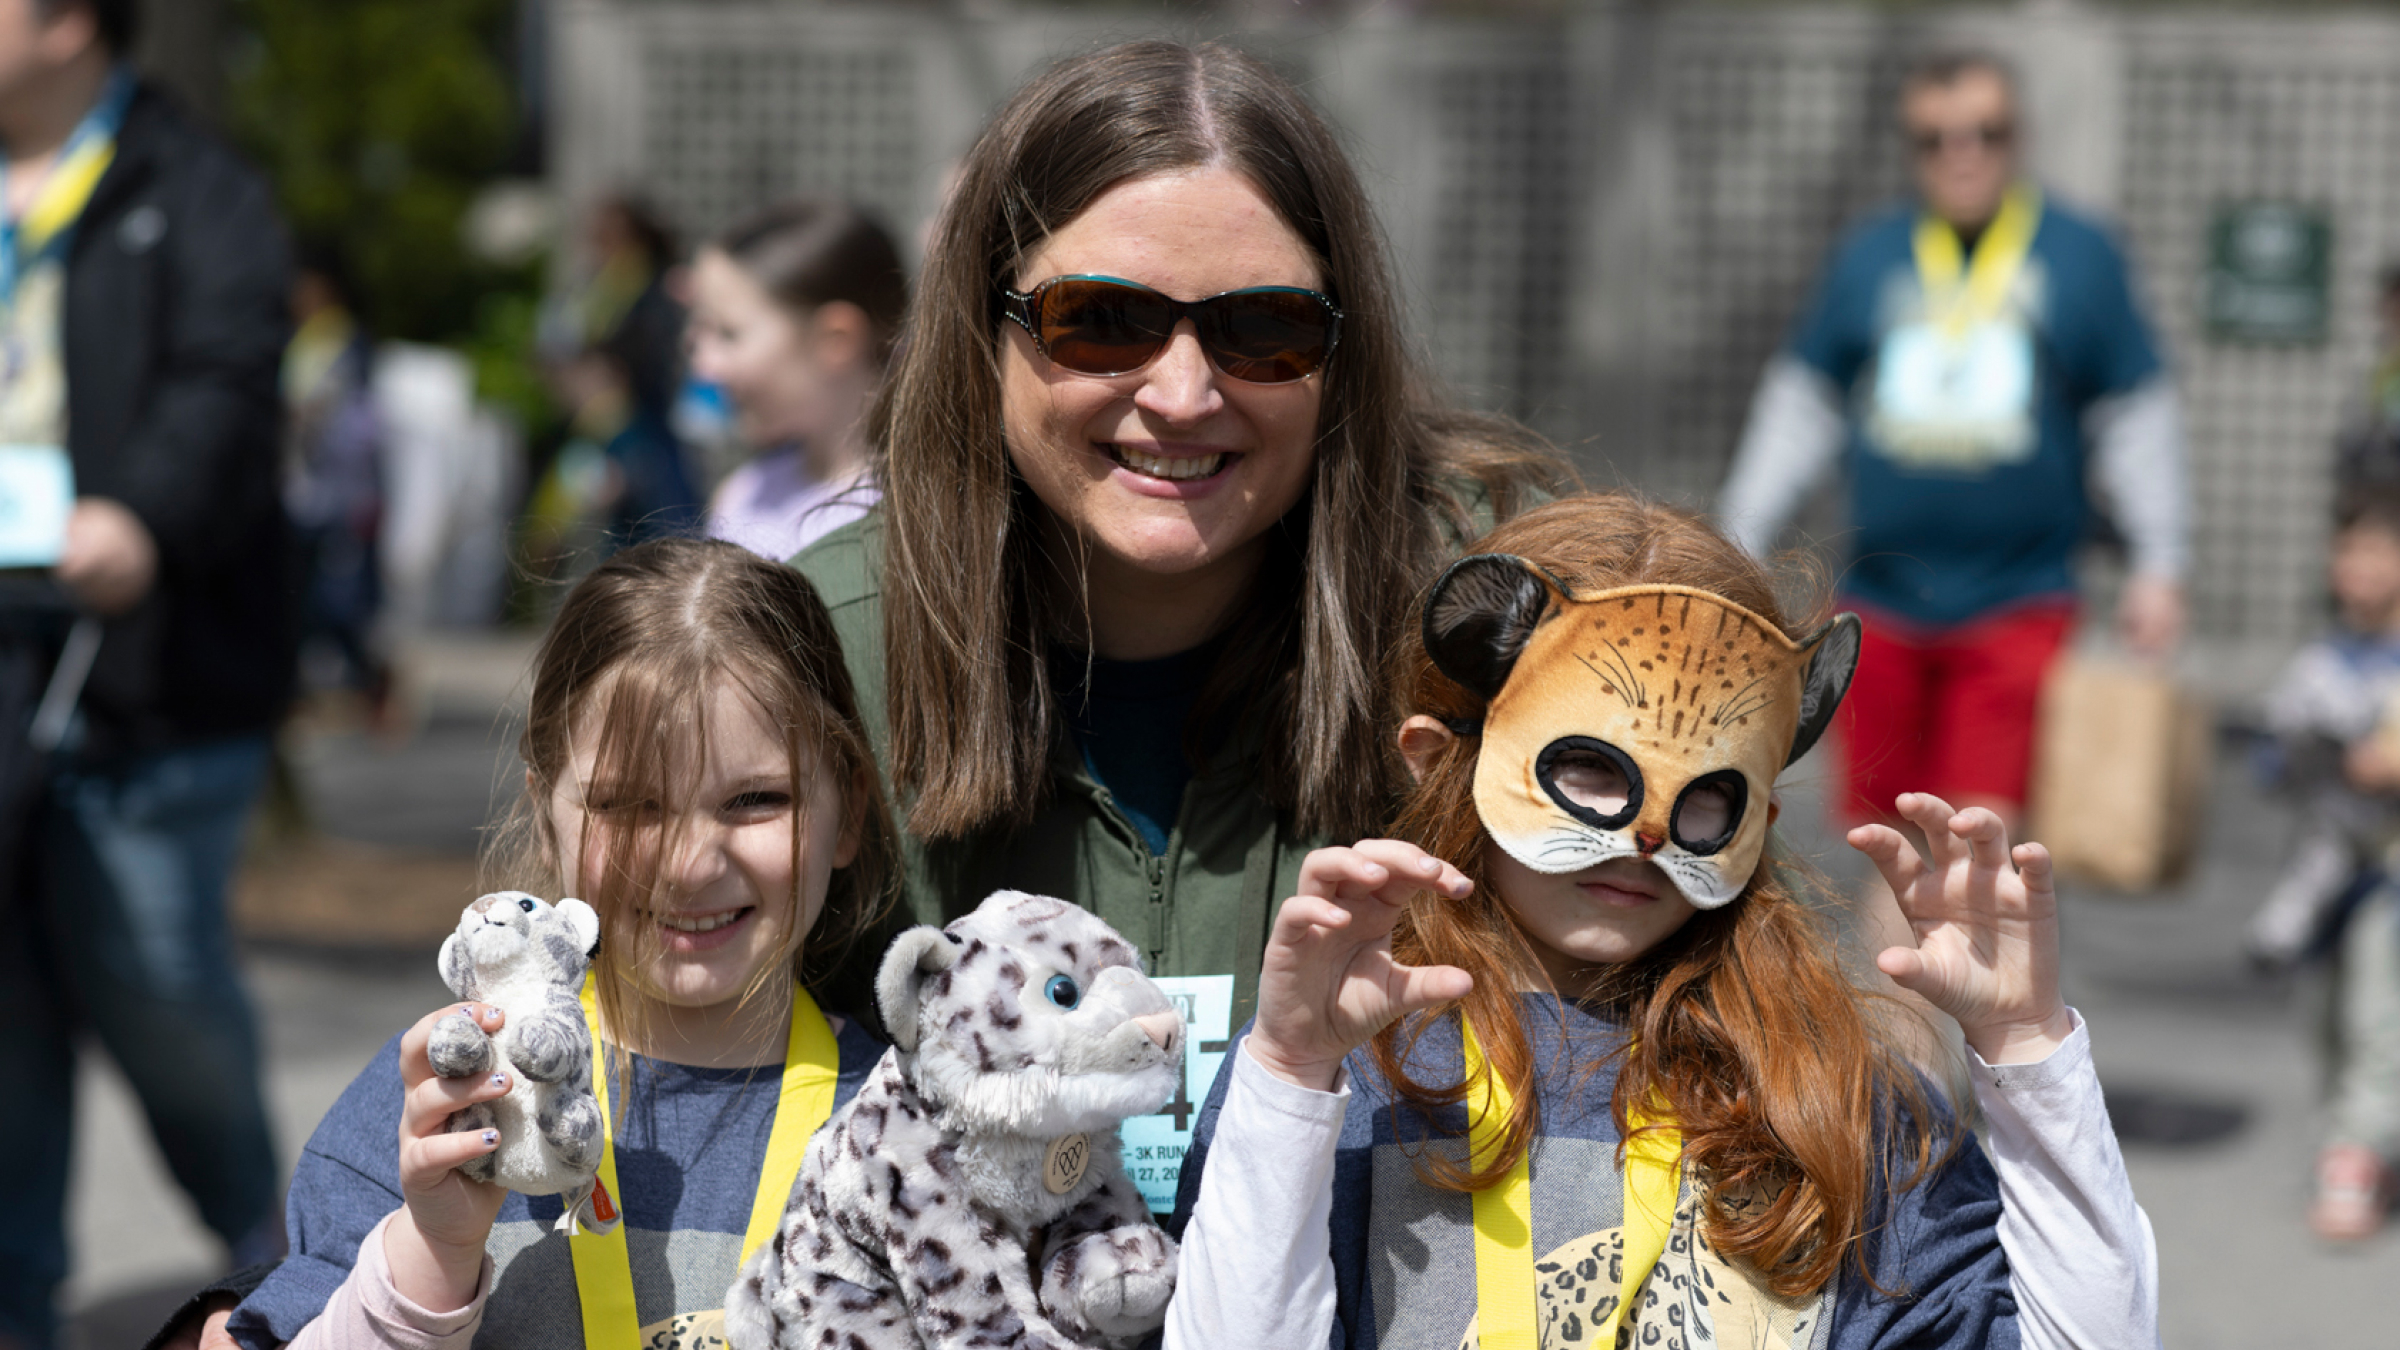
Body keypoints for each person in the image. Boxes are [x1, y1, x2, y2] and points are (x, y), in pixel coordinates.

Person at [793, 45, 1562, 1213]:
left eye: (1265, 329)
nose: (1186, 393)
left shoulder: (1501, 633)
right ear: (981, 328)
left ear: (1339, 352)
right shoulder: (809, 659)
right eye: (1100, 320)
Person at [1167, 494, 2158, 1349]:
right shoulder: (1356, 1076)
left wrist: (2028, 1049)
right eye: (1591, 768)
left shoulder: (1835, 1104)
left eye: (1705, 795)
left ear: (1758, 817)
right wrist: (1291, 1077)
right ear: (1441, 761)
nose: (1646, 835)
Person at [219, 538, 909, 1349]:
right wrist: (433, 1254)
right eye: (629, 807)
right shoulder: (438, 1115)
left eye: (755, 800)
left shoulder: (909, 1134)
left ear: (850, 811)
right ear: (547, 814)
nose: (689, 865)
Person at [0, 1, 298, 1345]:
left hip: (149, 684)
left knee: (161, 994)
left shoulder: (202, 192)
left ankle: (290, 1257)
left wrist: (147, 516)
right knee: (4, 1017)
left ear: (67, 22)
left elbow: (227, 389)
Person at [1716, 49, 2189, 840]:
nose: (1961, 155)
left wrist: (2161, 565)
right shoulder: (1871, 254)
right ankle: (1895, 972)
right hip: (1882, 600)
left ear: (2017, 138)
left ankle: (1982, 968)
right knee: (1885, 840)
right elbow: (1801, 405)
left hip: (2019, 600)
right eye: (1934, 139)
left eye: (1984, 133)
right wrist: (1738, 538)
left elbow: (2137, 413)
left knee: (1979, 836)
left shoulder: (2080, 254)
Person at [2247, 484, 2400, 1239]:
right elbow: (2271, 765)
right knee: (2328, 1014)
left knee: (2381, 1008)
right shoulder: (2318, 658)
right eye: (2352, 550)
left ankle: (2355, 1153)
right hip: (2319, 868)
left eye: (2381, 551)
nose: (2363, 568)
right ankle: (2353, 1133)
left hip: (2390, 869)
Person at [687, 198, 905, 561]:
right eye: (701, 332)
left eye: (729, 334)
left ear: (836, 339)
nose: (705, 366)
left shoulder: (910, 520)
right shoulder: (746, 494)